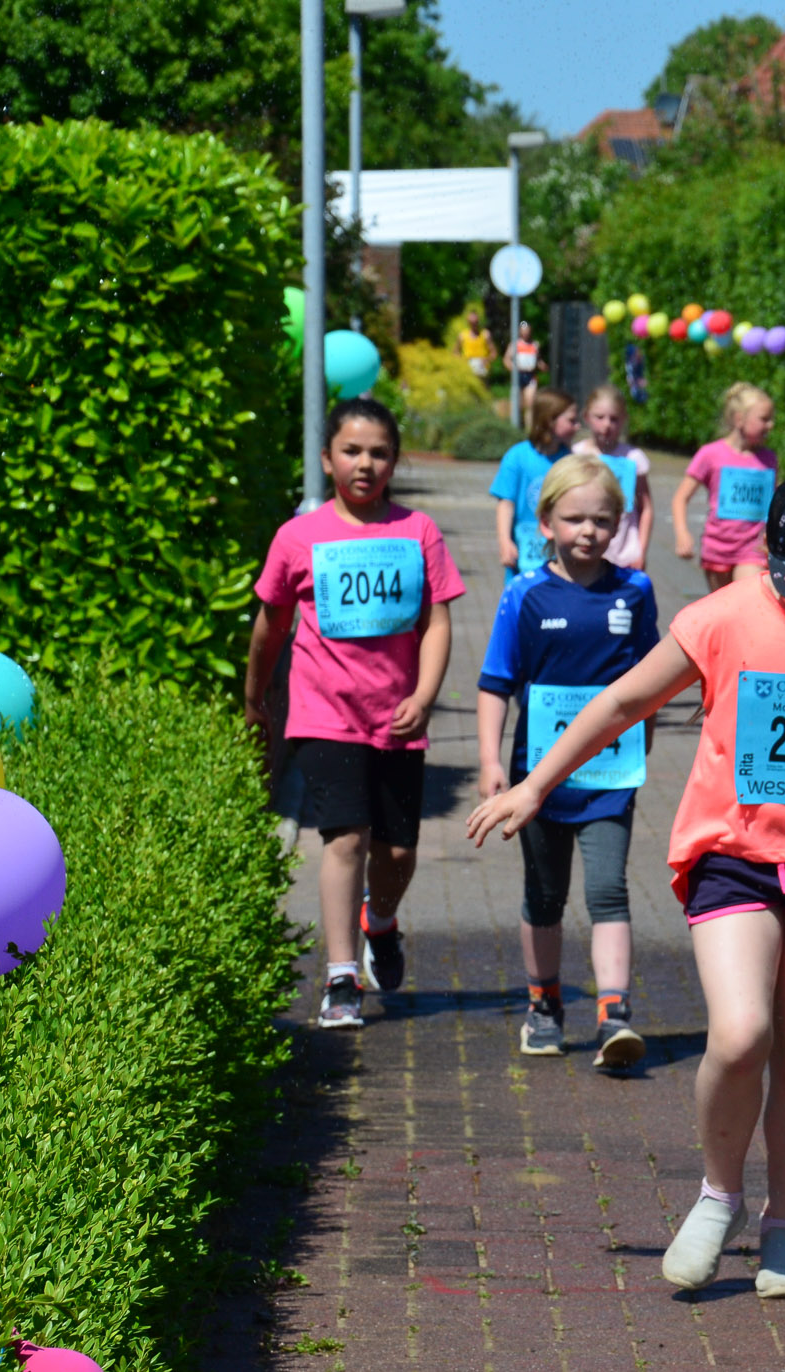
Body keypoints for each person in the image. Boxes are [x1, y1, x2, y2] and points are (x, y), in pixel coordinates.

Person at [466, 471, 785, 1301]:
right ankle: (718, 1195)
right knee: (741, 1033)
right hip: (733, 852)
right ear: (773, 564)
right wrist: (536, 783)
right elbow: (622, 701)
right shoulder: (721, 617)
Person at [245, 397, 466, 1029]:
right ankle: (341, 976)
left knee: (397, 853)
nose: (364, 464)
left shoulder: (418, 531)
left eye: (379, 453)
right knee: (344, 838)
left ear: (394, 461)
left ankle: (382, 920)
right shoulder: (298, 537)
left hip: (397, 718)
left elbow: (438, 621)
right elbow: (270, 624)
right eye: (351, 451)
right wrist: (255, 697)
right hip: (323, 713)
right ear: (327, 459)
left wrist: (424, 696)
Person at [476, 455, 659, 1071]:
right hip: (539, 779)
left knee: (608, 888)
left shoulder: (635, 591)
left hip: (610, 775)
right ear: (545, 522)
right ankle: (544, 1004)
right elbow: (495, 682)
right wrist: (490, 761)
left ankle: (614, 1014)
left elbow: (651, 674)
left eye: (602, 520)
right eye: (575, 518)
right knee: (545, 893)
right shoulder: (523, 595)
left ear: (620, 524)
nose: (588, 531)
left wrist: (647, 730)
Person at [671, 382, 778, 592]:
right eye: (764, 419)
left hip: (753, 549)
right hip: (717, 549)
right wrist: (682, 534)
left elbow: (774, 502)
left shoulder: (769, 459)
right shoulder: (711, 454)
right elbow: (680, 498)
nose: (771, 425)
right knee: (723, 604)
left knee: (748, 597)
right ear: (739, 419)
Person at [492, 388, 577, 579]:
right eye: (571, 420)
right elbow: (506, 503)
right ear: (550, 420)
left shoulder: (570, 460)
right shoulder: (517, 457)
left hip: (559, 556)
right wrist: (504, 541)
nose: (577, 426)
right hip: (523, 556)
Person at [570, 385, 654, 572]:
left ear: (624, 419)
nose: (607, 425)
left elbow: (646, 508)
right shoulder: (576, 454)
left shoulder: (633, 458)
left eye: (614, 419)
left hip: (625, 554)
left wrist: (641, 550)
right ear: (586, 417)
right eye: (600, 417)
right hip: (586, 550)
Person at [504, 320, 543, 415]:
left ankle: (529, 423)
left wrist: (542, 366)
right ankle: (517, 422)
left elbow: (538, 360)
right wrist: (513, 369)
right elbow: (506, 359)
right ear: (520, 331)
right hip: (518, 375)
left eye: (527, 331)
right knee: (517, 404)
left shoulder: (535, 345)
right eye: (524, 331)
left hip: (530, 375)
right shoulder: (515, 345)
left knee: (530, 403)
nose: (526, 333)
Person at [456, 306, 497, 380]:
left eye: (475, 322)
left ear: (478, 322)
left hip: (482, 369)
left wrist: (487, 360)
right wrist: (462, 361)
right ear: (468, 322)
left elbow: (494, 353)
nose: (474, 324)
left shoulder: (485, 334)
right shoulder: (462, 336)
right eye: (472, 322)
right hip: (468, 370)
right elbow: (455, 353)